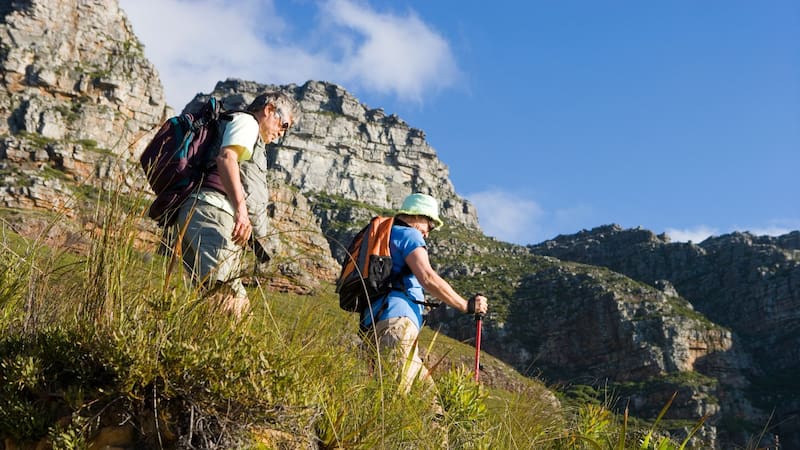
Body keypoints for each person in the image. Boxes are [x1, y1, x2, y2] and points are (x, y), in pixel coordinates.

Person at [174, 91, 296, 319]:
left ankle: (194, 348)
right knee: (228, 303)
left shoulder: (245, 128)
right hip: (214, 213)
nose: (281, 134)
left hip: (208, 215)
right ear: (269, 110)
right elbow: (226, 158)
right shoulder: (247, 122)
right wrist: (241, 211)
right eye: (284, 125)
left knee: (225, 304)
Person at [360, 193, 489, 394]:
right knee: (397, 397)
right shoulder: (409, 234)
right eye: (430, 226)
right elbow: (427, 277)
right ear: (420, 216)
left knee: (429, 404)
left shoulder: (387, 237)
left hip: (375, 323)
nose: (428, 233)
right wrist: (466, 305)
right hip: (396, 323)